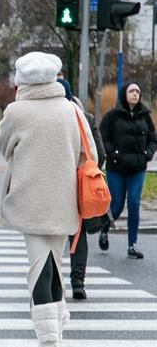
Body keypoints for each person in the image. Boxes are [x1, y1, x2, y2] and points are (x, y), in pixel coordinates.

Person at [0, 52, 97, 347]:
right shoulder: (72, 110)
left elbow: (3, 148)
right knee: (52, 266)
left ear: (22, 81)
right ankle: (56, 338)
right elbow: (90, 153)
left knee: (40, 269)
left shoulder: (16, 111)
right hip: (67, 202)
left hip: (30, 201)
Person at [57, 78, 106, 300]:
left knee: (54, 233)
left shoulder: (52, 119)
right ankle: (78, 282)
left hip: (55, 183)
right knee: (78, 233)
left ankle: (53, 280)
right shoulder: (86, 118)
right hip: (79, 185)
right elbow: (100, 154)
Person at [99, 82, 156, 260]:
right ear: (125, 94)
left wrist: (148, 154)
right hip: (117, 167)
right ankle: (104, 228)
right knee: (116, 205)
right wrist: (112, 153)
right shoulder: (112, 116)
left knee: (134, 203)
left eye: (138, 91)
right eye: (132, 91)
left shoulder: (145, 116)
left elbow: (153, 139)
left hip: (137, 167)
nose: (135, 94)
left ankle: (132, 245)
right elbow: (103, 137)